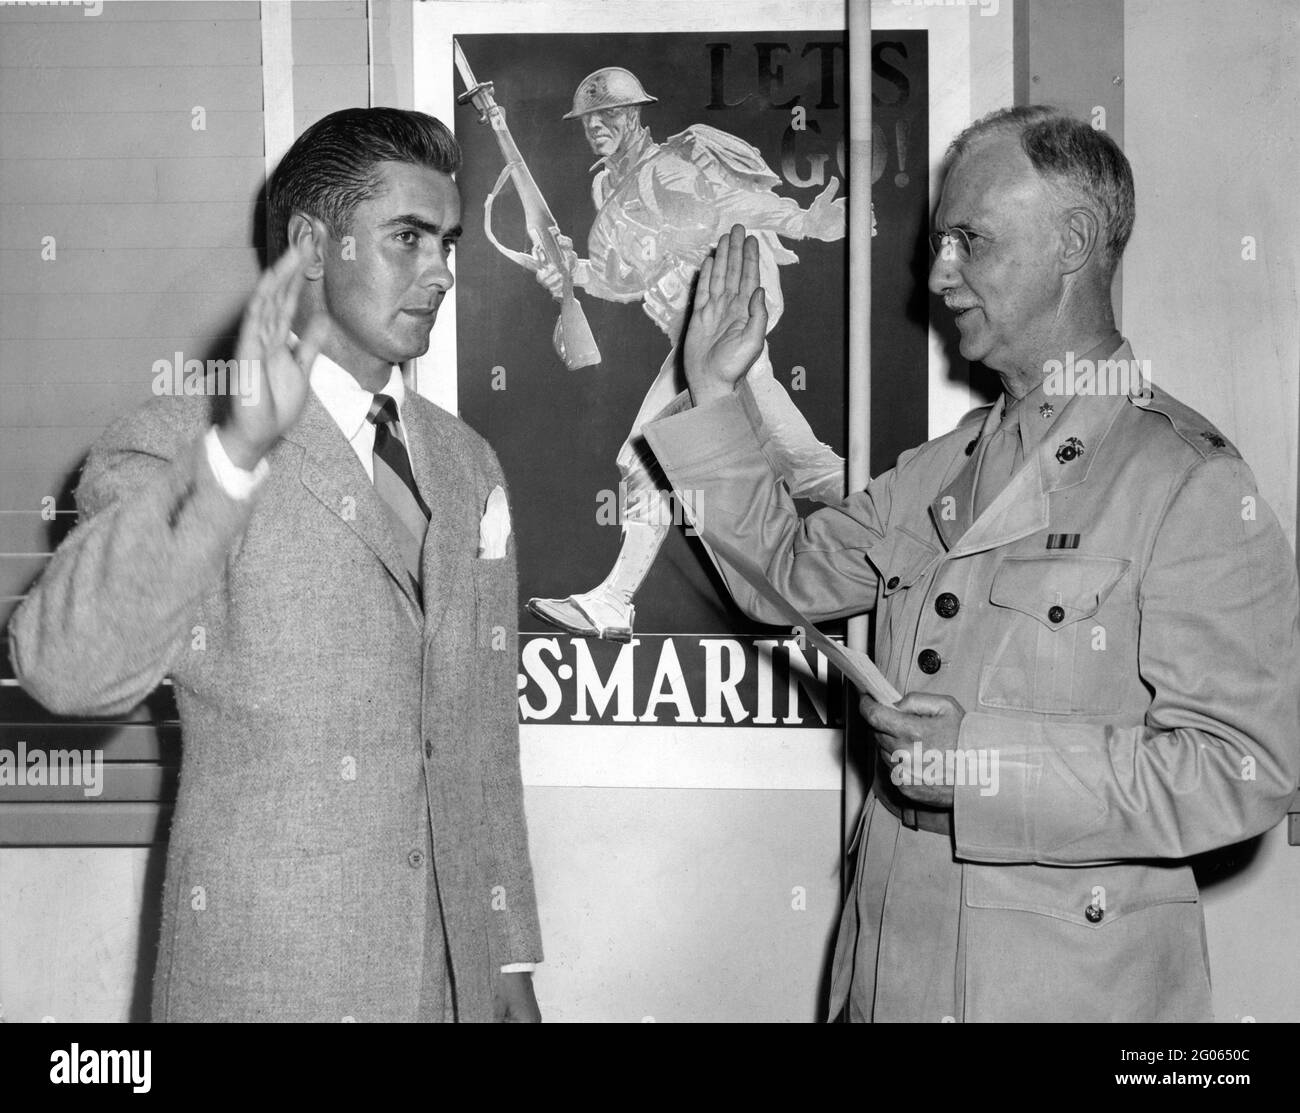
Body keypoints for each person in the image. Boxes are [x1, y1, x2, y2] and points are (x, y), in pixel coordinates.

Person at [645, 107, 1300, 1022]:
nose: (938, 273)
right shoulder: (945, 465)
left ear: (1073, 243)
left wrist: (986, 762)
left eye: (970, 240)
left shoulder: (1186, 479)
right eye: (940, 240)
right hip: (888, 968)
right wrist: (716, 392)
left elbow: (1243, 769)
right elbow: (786, 579)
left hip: (1061, 990)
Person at [8, 108, 543, 1022]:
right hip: (269, 980)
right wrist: (235, 456)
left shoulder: (467, 463)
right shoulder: (175, 449)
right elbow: (64, 670)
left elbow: (482, 741)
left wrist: (509, 964)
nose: (442, 272)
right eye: (407, 238)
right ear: (309, 246)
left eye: (448, 242)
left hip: (447, 985)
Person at [526, 66, 847, 642]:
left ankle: (614, 602)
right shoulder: (608, 187)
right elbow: (623, 280)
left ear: (634, 115)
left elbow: (734, 207)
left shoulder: (669, 169)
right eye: (589, 119)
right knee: (806, 465)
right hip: (699, 344)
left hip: (724, 335)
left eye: (610, 115)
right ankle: (899, 546)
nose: (597, 126)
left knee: (646, 454)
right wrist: (568, 272)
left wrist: (804, 221)